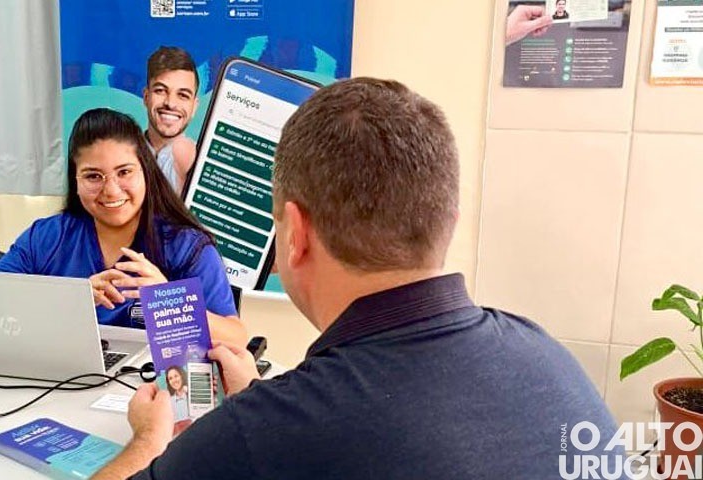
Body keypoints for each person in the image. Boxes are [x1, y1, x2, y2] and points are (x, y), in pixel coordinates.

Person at [91, 79, 624, 479]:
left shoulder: (266, 431)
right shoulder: (549, 358)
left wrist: (149, 437)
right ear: (448, 224)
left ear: (294, 234)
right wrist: (259, 395)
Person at [0, 108, 247, 346]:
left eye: (124, 172)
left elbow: (236, 339)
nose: (111, 190)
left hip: (155, 389)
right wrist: (68, 300)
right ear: (75, 180)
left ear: (146, 172)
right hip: (60, 384)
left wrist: (170, 300)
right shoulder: (46, 238)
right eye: (93, 176)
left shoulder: (186, 245)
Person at [143, 46, 199, 194]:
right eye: (161, 90)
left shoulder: (204, 164)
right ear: (146, 97)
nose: (170, 103)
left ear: (194, 107)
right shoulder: (119, 154)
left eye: (183, 95)